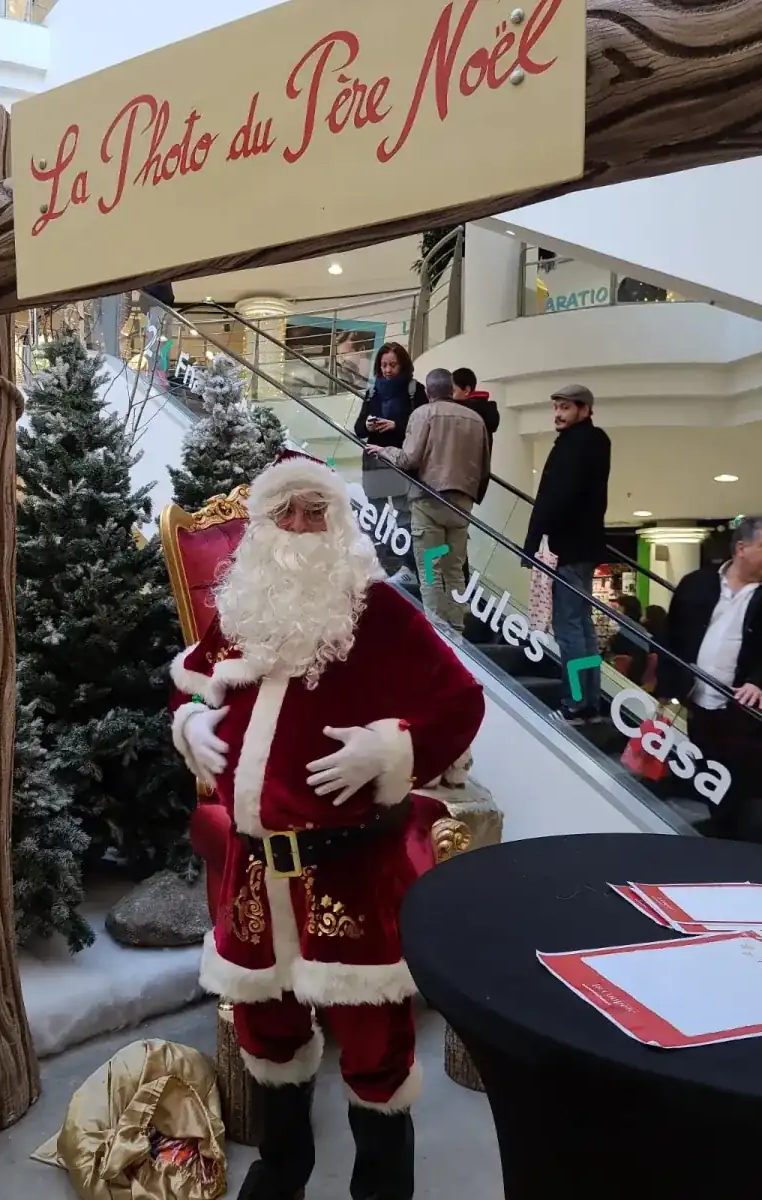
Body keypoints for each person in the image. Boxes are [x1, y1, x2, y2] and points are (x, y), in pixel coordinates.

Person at [170, 449, 484, 1200]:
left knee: (375, 1043)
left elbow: (461, 702)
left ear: (340, 520)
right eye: (287, 510)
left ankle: (380, 1189)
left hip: (349, 865)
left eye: (317, 509)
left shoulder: (380, 612)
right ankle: (283, 1169)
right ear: (263, 523)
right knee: (267, 1028)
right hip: (254, 866)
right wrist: (189, 726)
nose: (302, 525)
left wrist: (390, 746)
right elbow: (192, 682)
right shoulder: (242, 611)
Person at [656, 516, 762, 843]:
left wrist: (761, 681)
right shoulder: (697, 583)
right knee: (707, 778)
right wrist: (667, 693)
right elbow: (671, 638)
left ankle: (747, 852)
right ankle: (714, 846)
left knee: (748, 788)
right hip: (699, 706)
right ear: (741, 547)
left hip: (749, 714)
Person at [368, 368, 490, 634]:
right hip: (462, 503)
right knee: (455, 570)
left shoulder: (423, 414)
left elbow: (409, 459)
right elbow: (484, 467)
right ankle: (457, 629)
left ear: (427, 392)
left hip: (429, 500)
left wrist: (384, 450)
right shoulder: (475, 418)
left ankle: (437, 632)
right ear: (451, 389)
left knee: (430, 570)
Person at [524, 384, 611, 723]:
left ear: (585, 409)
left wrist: (532, 543)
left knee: (569, 627)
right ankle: (589, 699)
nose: (558, 414)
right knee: (582, 628)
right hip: (585, 546)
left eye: (565, 407)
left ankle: (575, 701)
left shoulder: (576, 444)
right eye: (556, 407)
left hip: (570, 547)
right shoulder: (595, 442)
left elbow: (555, 496)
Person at [353, 342, 427, 583]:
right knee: (375, 515)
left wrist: (397, 425)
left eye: (392, 365)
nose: (387, 370)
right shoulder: (373, 391)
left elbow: (425, 428)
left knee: (404, 514)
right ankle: (378, 565)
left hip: (401, 462)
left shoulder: (415, 390)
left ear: (403, 364)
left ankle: (408, 569)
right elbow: (358, 428)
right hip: (375, 462)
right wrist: (368, 425)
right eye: (383, 365)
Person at [452, 368, 500, 454]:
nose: (450, 396)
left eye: (453, 391)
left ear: (466, 390)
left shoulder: (465, 413)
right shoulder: (485, 411)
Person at [606, 593, 649, 684]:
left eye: (619, 608)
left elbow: (617, 648)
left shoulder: (627, 630)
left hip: (621, 675)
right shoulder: (641, 629)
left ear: (626, 609)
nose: (617, 611)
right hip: (636, 675)